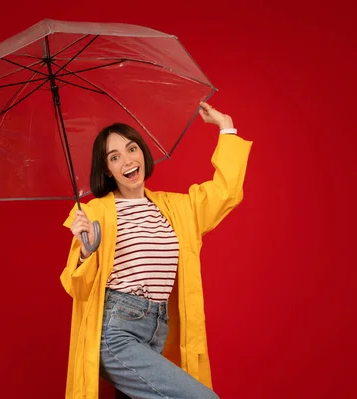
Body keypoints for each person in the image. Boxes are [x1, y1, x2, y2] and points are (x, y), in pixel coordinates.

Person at [60, 101, 252, 398]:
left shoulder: (175, 208)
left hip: (156, 330)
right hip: (116, 330)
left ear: (143, 153)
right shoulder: (95, 212)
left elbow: (224, 193)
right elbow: (78, 287)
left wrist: (226, 127)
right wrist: (85, 251)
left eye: (132, 149)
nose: (127, 161)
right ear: (107, 170)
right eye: (114, 157)